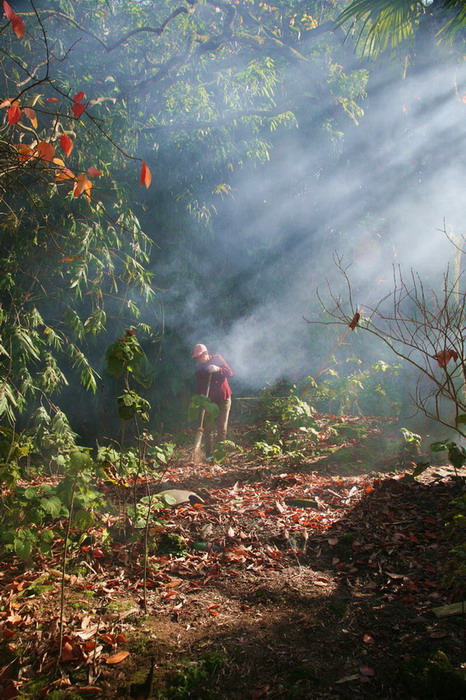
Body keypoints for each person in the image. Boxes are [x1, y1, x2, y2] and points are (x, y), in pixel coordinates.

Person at [192, 343, 233, 456]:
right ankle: (209, 455)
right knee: (208, 428)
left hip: (224, 398)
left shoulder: (217, 358)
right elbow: (199, 387)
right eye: (197, 357)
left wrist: (218, 369)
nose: (199, 359)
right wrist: (201, 398)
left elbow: (230, 373)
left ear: (205, 353)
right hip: (209, 402)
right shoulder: (199, 369)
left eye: (200, 356)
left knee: (222, 427)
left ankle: (220, 453)